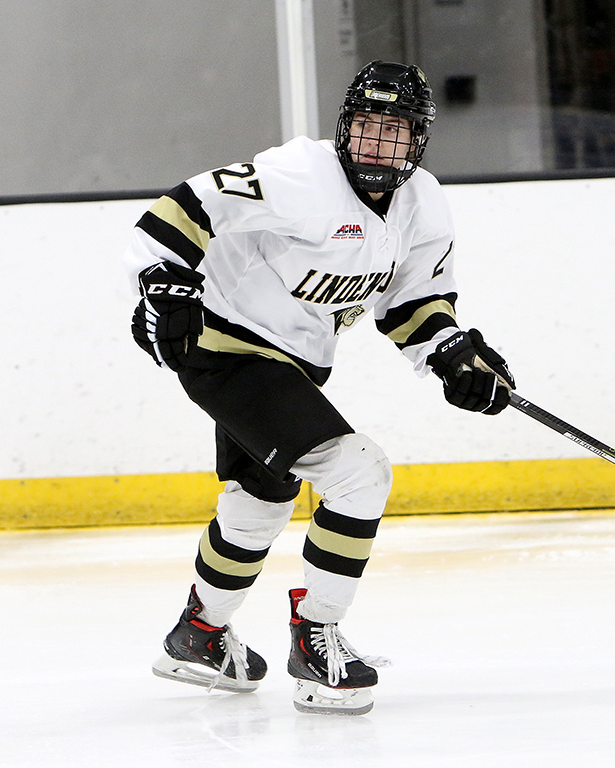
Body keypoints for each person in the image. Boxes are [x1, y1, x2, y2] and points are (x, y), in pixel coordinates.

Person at [123, 61, 514, 716]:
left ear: (418, 141)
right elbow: (183, 208)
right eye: (365, 127)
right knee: (359, 472)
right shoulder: (300, 175)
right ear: (343, 128)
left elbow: (413, 303)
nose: (375, 146)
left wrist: (452, 355)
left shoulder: (424, 205)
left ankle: (198, 635)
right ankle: (316, 639)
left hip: (290, 363)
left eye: (394, 133)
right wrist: (163, 284)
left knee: (259, 503)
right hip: (224, 347)